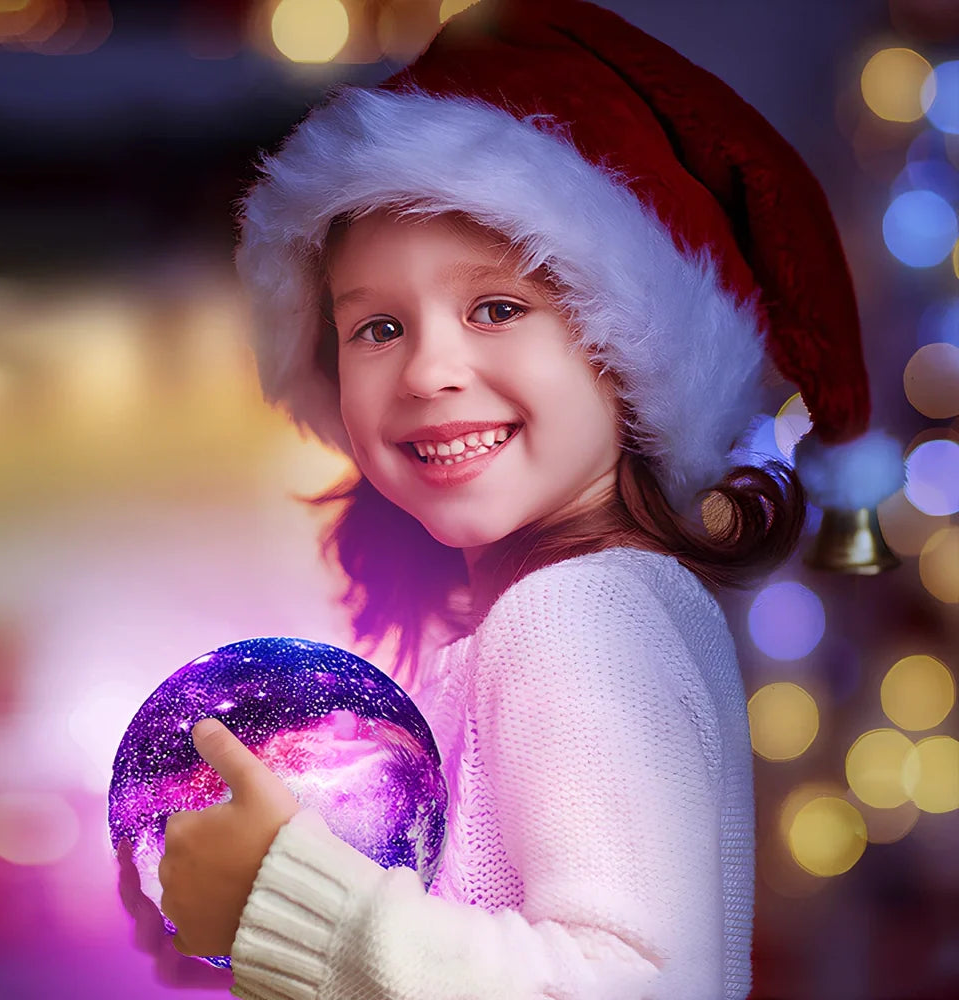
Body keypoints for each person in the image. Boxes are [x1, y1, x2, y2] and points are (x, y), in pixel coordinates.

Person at [155, 2, 905, 998]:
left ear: (628, 351)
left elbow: (629, 980)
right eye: (376, 326)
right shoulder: (589, 602)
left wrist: (287, 901)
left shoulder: (576, 617)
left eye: (497, 308)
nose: (429, 369)